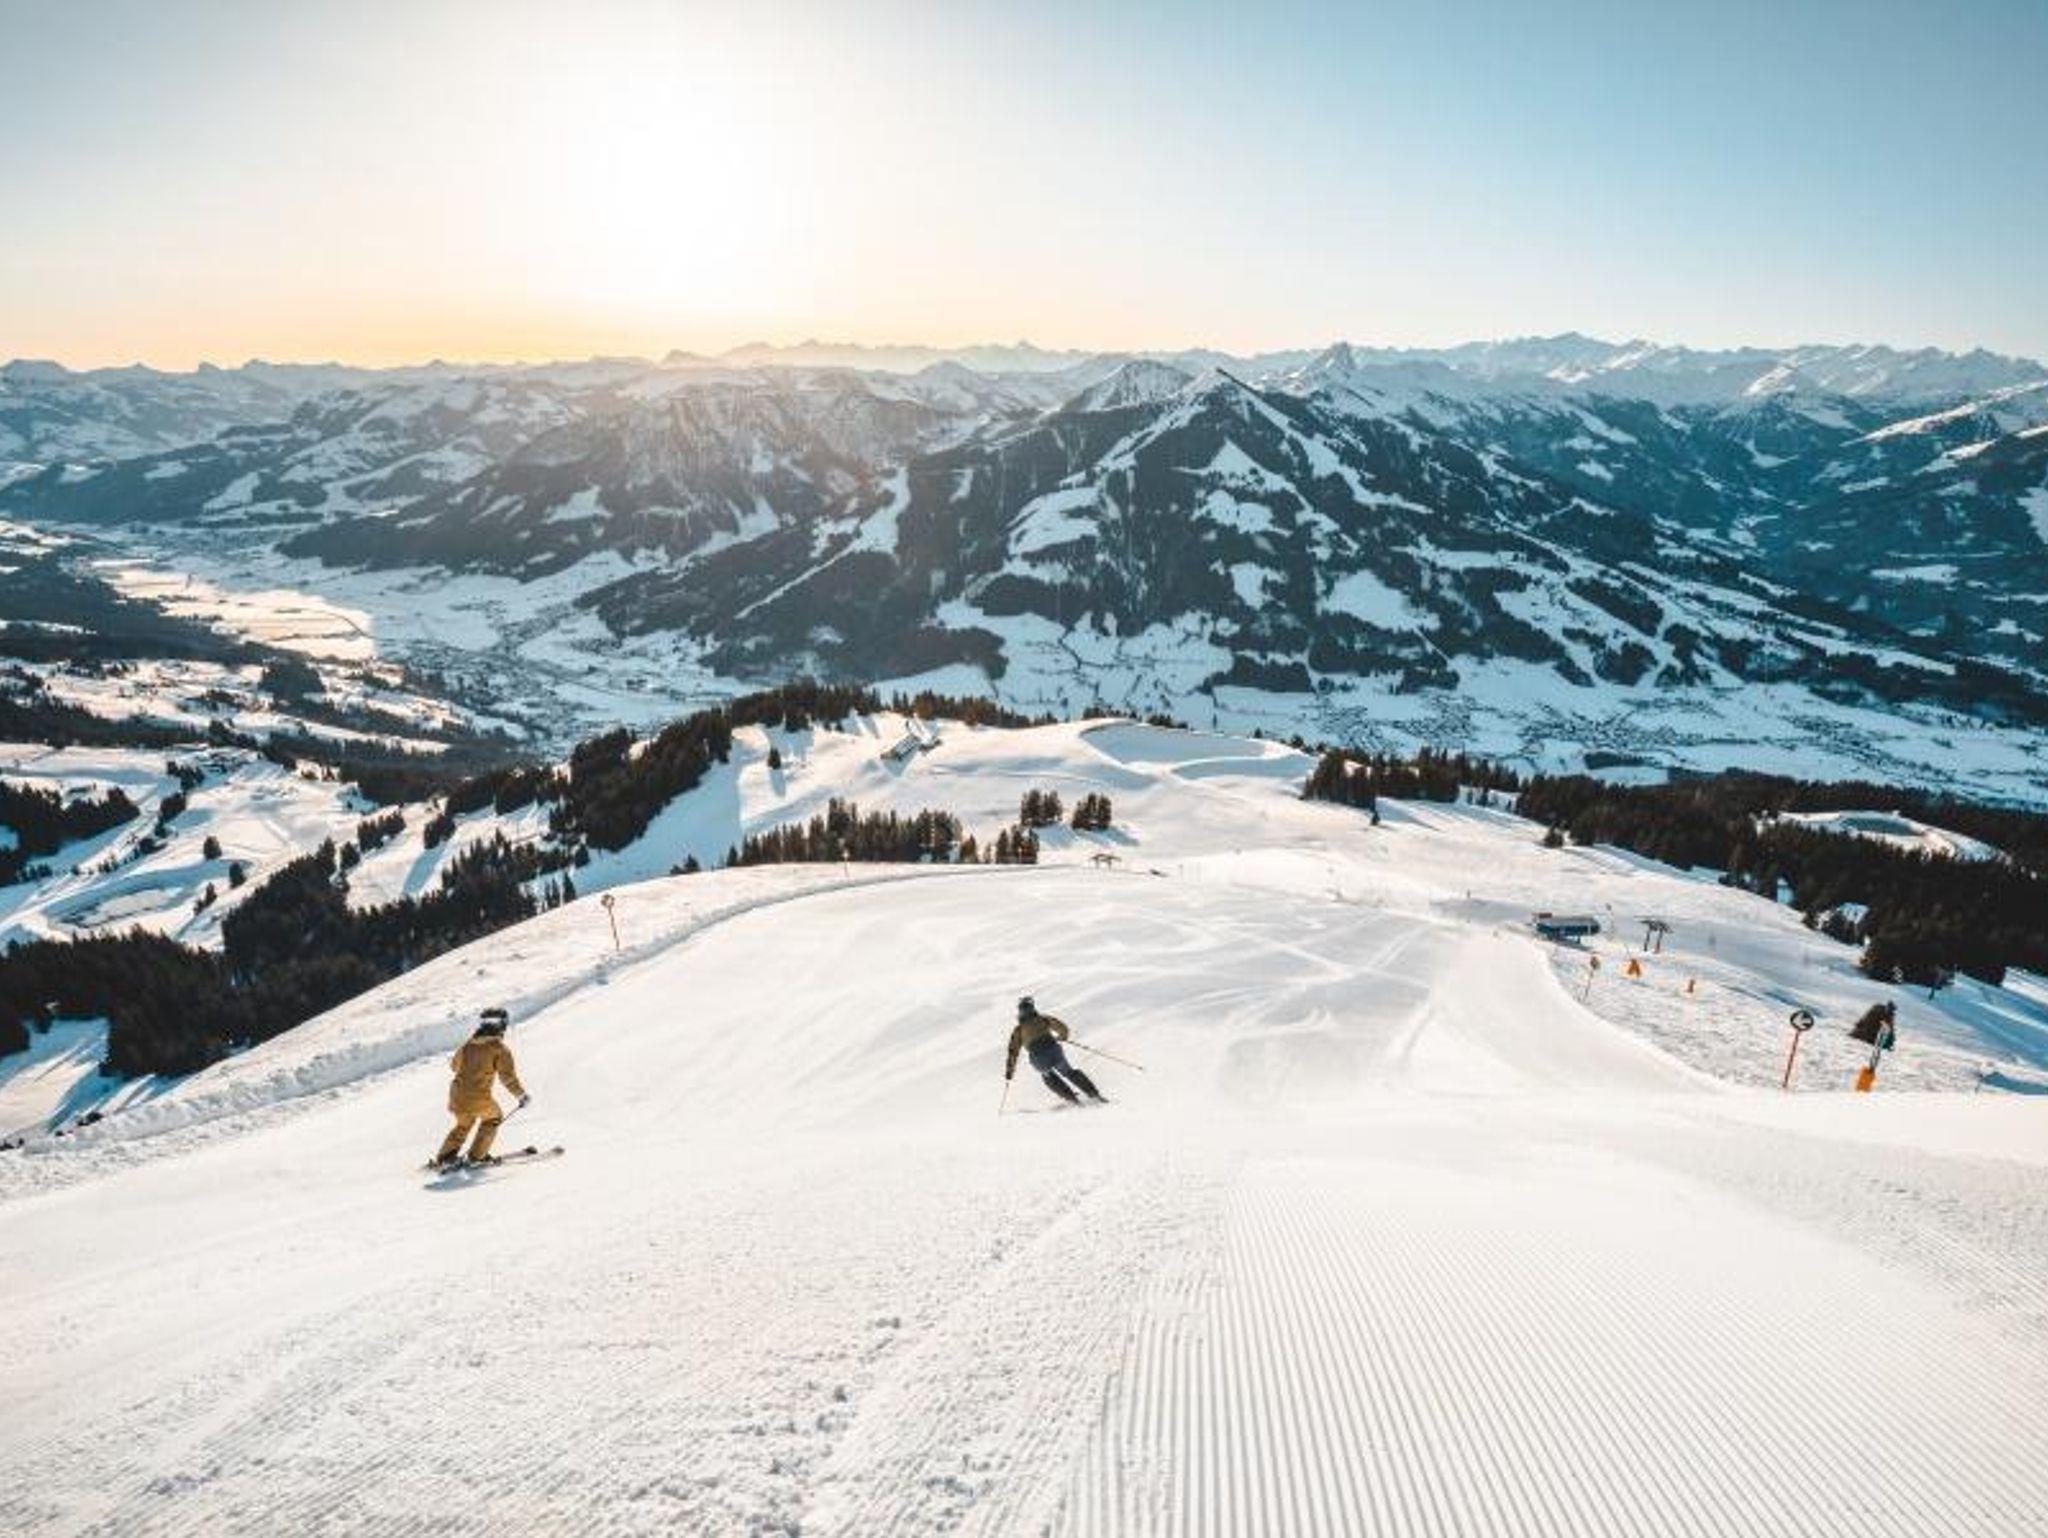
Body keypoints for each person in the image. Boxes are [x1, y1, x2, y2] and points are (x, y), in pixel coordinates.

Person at [433, 1007, 529, 1168]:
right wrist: (521, 1095)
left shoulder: (468, 1044)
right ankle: (476, 1156)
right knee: (493, 1118)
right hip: (478, 1097)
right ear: (503, 1025)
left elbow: (454, 1066)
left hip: (456, 1095)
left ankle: (445, 1157)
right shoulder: (499, 1049)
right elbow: (508, 1077)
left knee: (464, 1123)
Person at [1006, 996, 1105, 1106]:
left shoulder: (1018, 1030)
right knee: (1068, 1072)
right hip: (1053, 1049)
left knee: (1048, 1076)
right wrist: (1062, 1037)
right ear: (1032, 1008)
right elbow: (1062, 1028)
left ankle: (1071, 1099)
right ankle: (1094, 1094)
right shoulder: (1043, 1019)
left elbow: (1013, 1051)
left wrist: (1009, 1072)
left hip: (1037, 1057)